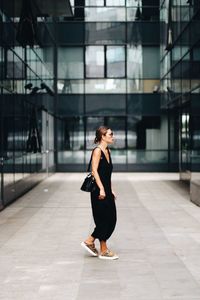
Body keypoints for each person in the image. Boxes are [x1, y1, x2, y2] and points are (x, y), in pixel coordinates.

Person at [81, 126, 118, 260]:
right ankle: (99, 247)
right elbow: (94, 171)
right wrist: (102, 189)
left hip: (106, 189)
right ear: (102, 136)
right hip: (98, 190)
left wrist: (110, 189)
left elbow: (107, 174)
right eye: (110, 134)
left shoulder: (107, 150)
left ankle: (94, 243)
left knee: (111, 218)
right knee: (103, 219)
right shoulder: (97, 151)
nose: (112, 136)